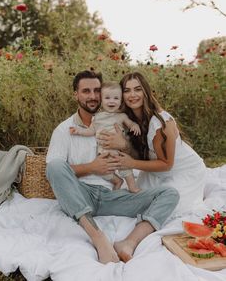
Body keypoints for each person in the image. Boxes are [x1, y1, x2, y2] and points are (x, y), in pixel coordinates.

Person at [46, 70, 179, 264]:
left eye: (96, 91)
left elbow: (136, 156)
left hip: (112, 195)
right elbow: (54, 172)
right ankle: (98, 238)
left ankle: (128, 243)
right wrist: (92, 167)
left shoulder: (118, 119)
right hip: (81, 194)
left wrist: (124, 144)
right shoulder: (64, 130)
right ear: (76, 94)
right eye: (85, 91)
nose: (92, 96)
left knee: (170, 194)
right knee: (55, 165)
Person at [99, 71, 207, 216]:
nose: (132, 95)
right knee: (137, 201)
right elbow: (142, 156)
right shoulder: (127, 119)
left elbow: (167, 164)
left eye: (137, 89)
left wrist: (131, 163)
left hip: (184, 171)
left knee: (167, 210)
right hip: (155, 171)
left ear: (146, 92)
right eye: (127, 90)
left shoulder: (161, 123)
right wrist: (123, 145)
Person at [69, 81, 140, 192]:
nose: (112, 101)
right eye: (107, 98)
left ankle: (132, 186)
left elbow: (130, 123)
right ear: (101, 100)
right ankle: (117, 181)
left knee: (126, 169)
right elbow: (91, 131)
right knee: (104, 173)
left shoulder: (121, 116)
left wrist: (134, 125)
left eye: (116, 98)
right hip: (104, 153)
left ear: (121, 100)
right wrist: (78, 131)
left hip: (119, 152)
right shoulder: (97, 117)